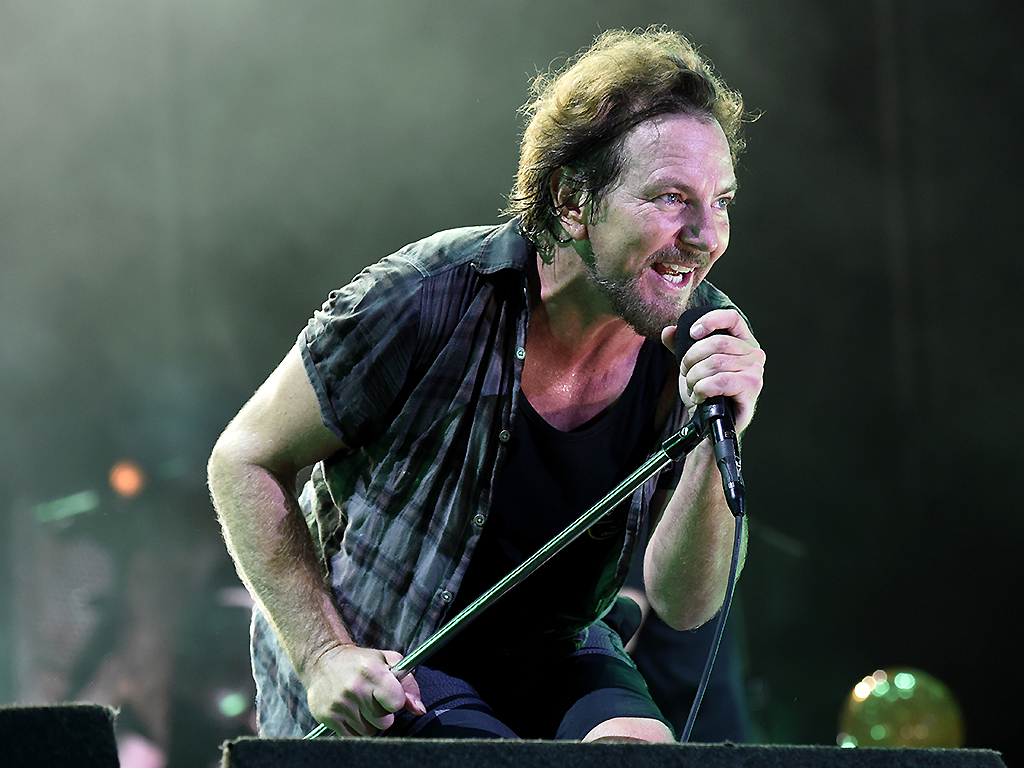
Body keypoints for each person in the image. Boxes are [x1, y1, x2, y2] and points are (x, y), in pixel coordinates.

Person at [207, 26, 765, 743]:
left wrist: (718, 436)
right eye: (669, 198)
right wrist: (322, 656)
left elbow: (685, 607)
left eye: (721, 201)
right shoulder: (427, 296)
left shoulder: (701, 334)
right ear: (572, 201)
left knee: (640, 750)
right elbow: (243, 459)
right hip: (394, 655)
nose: (705, 234)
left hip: (554, 649)